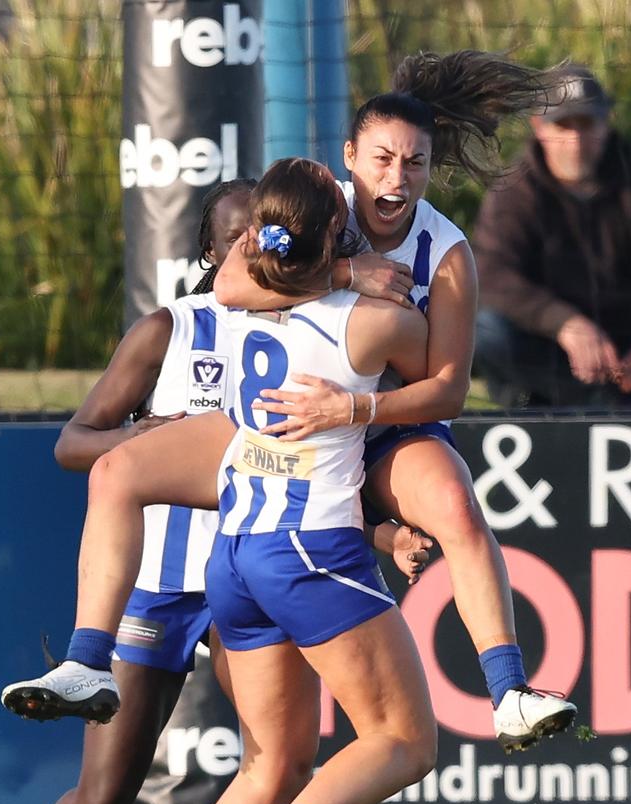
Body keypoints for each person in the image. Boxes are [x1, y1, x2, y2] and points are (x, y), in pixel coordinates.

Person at [1, 181, 431, 804]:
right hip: (180, 579)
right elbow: (74, 444)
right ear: (212, 250)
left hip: (243, 560)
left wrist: (381, 530)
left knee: (279, 764)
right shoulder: (181, 324)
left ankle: (90, 661)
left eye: (259, 236)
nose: (250, 249)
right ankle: (88, 659)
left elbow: (312, 459)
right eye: (237, 238)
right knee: (103, 797)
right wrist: (150, 439)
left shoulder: (294, 314)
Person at [213, 50, 578, 754]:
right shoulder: (318, 206)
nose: (396, 177)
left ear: (431, 167)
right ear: (349, 156)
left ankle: (508, 692)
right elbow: (231, 283)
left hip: (374, 428)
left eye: (414, 163)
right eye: (381, 159)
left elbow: (447, 390)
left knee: (453, 502)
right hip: (282, 425)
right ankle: (103, 647)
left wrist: (353, 411)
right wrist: (344, 272)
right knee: (121, 474)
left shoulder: (447, 253)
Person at [198, 157, 436, 804]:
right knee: (405, 739)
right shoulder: (372, 324)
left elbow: (237, 272)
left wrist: (327, 265)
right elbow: (441, 374)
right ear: (339, 232)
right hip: (305, 550)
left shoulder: (238, 303)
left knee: (269, 767)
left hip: (236, 550)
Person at [472, 63, 631, 408]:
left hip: (621, 351)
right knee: (482, 329)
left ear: (606, 125)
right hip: (541, 344)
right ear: (539, 127)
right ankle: (530, 403)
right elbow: (490, 276)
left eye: (586, 124)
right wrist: (566, 324)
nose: (576, 139)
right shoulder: (513, 190)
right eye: (564, 125)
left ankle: (610, 402)